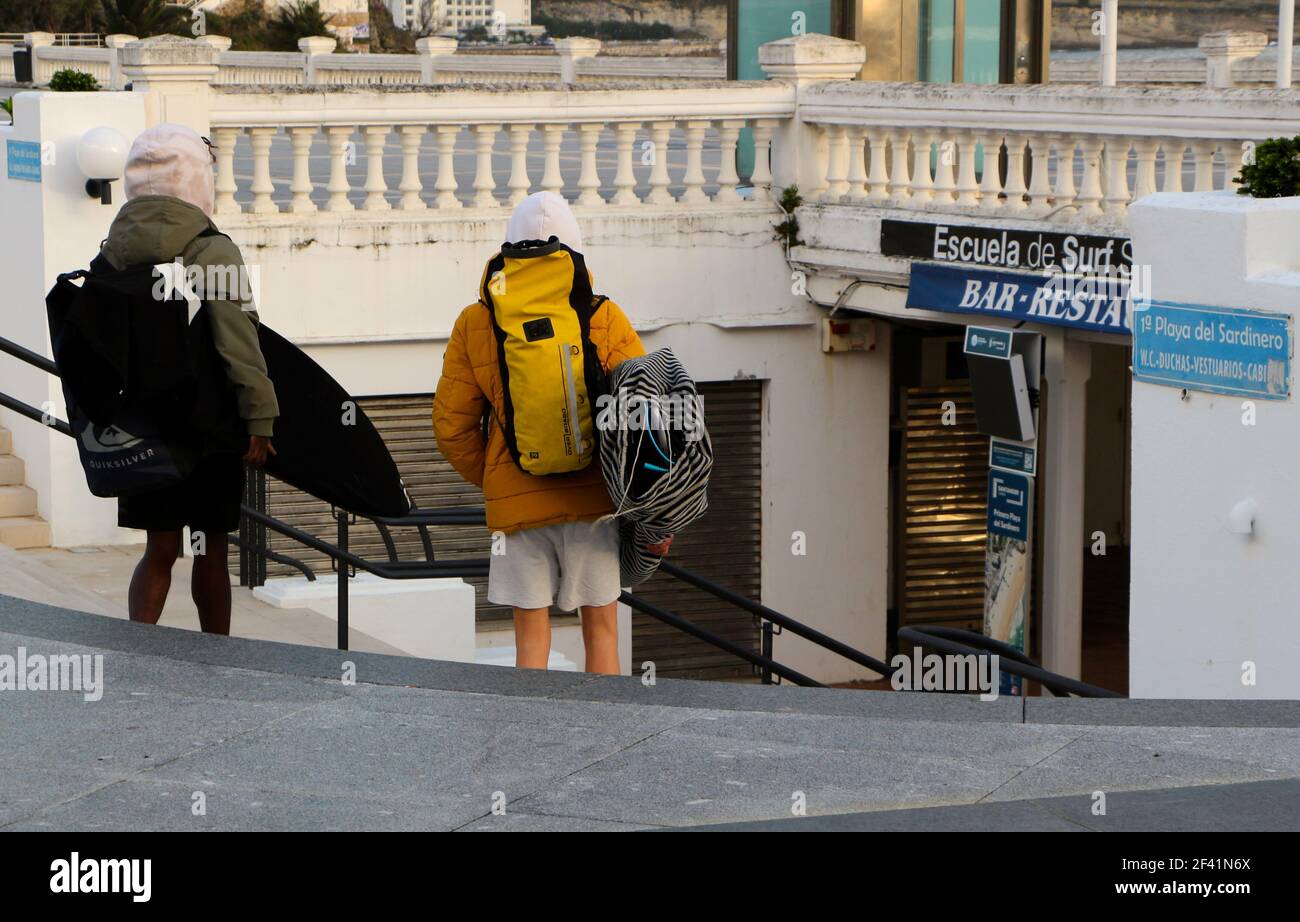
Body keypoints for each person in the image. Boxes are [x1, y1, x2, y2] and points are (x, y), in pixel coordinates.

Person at [434, 192, 669, 674]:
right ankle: (605, 736)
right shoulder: (602, 315)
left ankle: (532, 738)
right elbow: (647, 415)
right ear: (574, 251)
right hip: (594, 505)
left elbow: (452, 428)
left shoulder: (476, 321)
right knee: (602, 631)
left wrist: (501, 479)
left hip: (519, 513)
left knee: (530, 641)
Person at [98, 124, 279, 634]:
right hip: (207, 427)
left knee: (159, 546)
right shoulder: (210, 249)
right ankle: (214, 656)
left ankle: (140, 644)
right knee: (212, 547)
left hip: (141, 422)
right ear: (198, 179)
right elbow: (238, 340)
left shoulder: (113, 248)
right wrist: (260, 417)